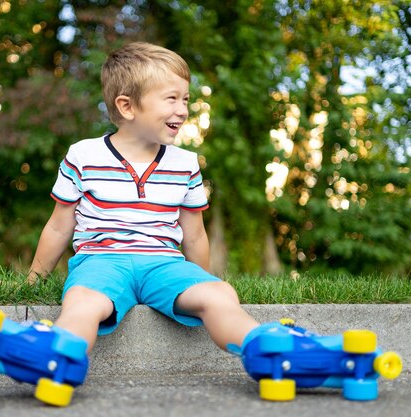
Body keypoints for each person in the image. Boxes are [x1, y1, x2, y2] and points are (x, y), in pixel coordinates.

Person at [27, 41, 259, 353]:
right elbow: (58, 226)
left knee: (220, 294)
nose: (182, 110)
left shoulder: (186, 163)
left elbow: (194, 233)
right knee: (82, 302)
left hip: (164, 264)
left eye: (185, 99)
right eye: (171, 99)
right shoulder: (84, 155)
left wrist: (199, 278)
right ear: (127, 107)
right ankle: (56, 356)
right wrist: (33, 281)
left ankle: (269, 350)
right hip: (100, 261)